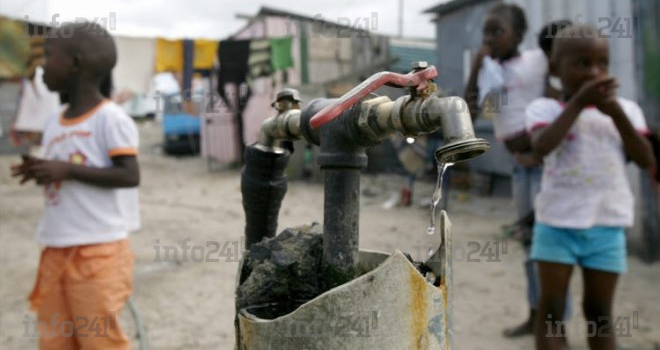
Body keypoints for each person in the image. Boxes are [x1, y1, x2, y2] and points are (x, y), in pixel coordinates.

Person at [10, 22, 140, 350]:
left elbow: (129, 175)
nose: (41, 65)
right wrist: (41, 170)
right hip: (56, 246)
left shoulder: (110, 118)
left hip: (98, 252)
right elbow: (64, 167)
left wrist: (66, 170)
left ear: (76, 62)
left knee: (98, 339)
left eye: (48, 55)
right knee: (55, 339)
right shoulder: (55, 120)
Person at [526, 24, 655, 350]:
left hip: (607, 225)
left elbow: (643, 158)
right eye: (582, 64)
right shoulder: (544, 109)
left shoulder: (626, 110)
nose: (595, 73)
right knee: (552, 312)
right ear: (555, 68)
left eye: (602, 64)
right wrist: (578, 104)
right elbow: (542, 147)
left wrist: (615, 113)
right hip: (556, 224)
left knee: (600, 314)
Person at [464, 3, 551, 338]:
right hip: (520, 168)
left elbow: (561, 96)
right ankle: (536, 315)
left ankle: (552, 322)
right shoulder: (489, 73)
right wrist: (475, 66)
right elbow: (468, 116)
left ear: (518, 33)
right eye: (486, 32)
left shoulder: (536, 62)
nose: (489, 39)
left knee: (550, 243)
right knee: (530, 244)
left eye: (496, 31)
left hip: (544, 165)